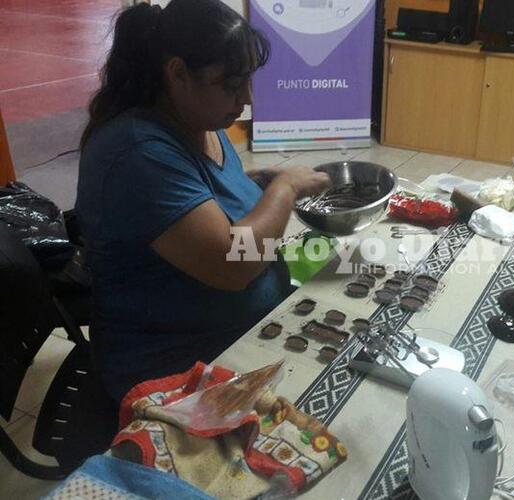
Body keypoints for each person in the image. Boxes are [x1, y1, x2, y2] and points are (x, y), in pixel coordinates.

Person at [76, 0, 331, 403]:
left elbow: (204, 197)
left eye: (247, 80)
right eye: (231, 83)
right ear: (177, 73)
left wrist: (257, 183)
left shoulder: (198, 121)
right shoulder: (137, 153)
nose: (245, 98)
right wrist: (284, 188)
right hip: (173, 369)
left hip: (237, 335)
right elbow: (235, 264)